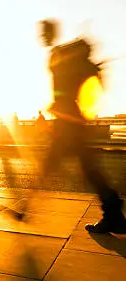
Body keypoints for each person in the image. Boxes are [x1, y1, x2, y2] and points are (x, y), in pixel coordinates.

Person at [36, 19, 125, 233]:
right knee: (88, 168)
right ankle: (113, 212)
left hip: (67, 122)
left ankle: (25, 210)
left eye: (43, 33)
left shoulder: (58, 55)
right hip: (71, 119)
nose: (41, 37)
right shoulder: (66, 56)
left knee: (58, 165)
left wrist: (58, 106)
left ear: (50, 33)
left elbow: (64, 89)